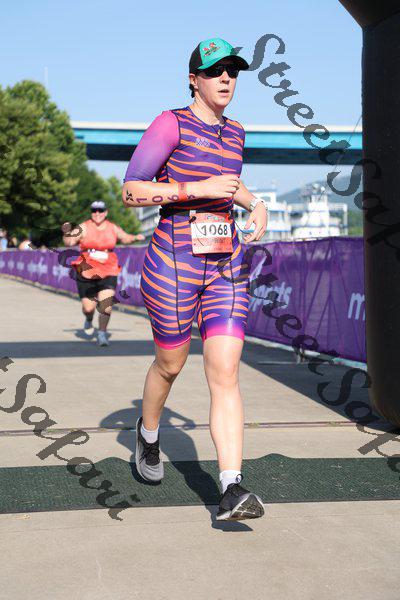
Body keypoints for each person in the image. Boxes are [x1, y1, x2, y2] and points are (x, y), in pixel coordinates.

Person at [122, 38, 269, 520]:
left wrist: (256, 203)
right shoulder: (171, 123)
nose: (225, 78)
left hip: (225, 265)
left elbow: (231, 182)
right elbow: (131, 190)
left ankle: (231, 487)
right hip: (173, 262)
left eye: (233, 71)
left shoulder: (237, 131)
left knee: (225, 372)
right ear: (194, 79)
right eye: (214, 71)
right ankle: (147, 434)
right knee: (171, 364)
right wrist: (195, 188)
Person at [62, 200, 145, 346]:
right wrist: (66, 232)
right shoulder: (84, 227)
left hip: (108, 268)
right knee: (88, 308)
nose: (97, 213)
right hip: (86, 269)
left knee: (106, 304)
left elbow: (124, 237)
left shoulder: (112, 227)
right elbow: (69, 242)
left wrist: (135, 238)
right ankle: (89, 319)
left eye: (100, 210)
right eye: (94, 210)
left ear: (105, 212)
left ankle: (102, 333)